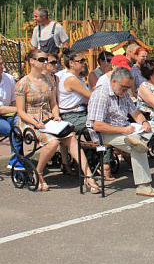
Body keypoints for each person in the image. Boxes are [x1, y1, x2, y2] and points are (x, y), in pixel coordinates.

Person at [15, 49, 99, 193]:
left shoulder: (49, 80)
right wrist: (35, 123)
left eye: (45, 60)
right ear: (32, 62)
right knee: (53, 142)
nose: (45, 63)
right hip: (29, 122)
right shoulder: (23, 83)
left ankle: (89, 176)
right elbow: (21, 111)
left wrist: (56, 115)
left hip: (48, 120)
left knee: (71, 138)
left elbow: (54, 104)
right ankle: (39, 172)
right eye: (41, 60)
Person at [86, 67, 154, 197]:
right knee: (137, 147)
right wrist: (123, 130)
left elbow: (135, 113)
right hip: (104, 134)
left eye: (128, 88)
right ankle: (143, 185)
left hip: (125, 130)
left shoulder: (123, 93)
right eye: (124, 87)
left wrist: (144, 123)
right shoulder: (101, 94)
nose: (126, 90)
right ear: (114, 82)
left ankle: (139, 138)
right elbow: (97, 125)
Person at [43, 52, 75, 176]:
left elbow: (56, 100)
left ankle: (66, 163)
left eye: (56, 62)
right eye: (52, 62)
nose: (55, 64)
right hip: (43, 115)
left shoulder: (56, 78)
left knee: (67, 132)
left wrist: (56, 114)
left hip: (56, 111)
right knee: (62, 135)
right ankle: (64, 163)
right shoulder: (40, 79)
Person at [0, 56, 22, 171]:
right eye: (0, 64)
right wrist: (20, 110)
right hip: (4, 113)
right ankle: (17, 162)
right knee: (11, 129)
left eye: (2, 63)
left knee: (19, 126)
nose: (2, 67)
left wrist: (18, 112)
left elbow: (14, 100)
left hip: (9, 112)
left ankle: (17, 161)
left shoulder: (8, 78)